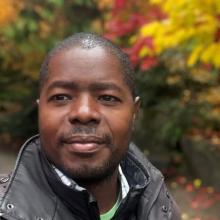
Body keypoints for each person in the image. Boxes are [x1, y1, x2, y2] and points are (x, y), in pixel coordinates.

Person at [0, 33, 180, 220]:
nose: (84, 113)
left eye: (107, 98)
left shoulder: (162, 210)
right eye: (61, 97)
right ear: (40, 111)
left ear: (134, 112)